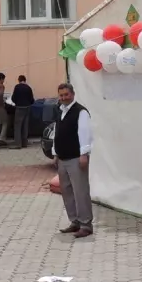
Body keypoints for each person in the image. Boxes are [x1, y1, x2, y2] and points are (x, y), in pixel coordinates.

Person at [52, 83, 93, 238]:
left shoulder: (80, 112)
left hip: (76, 158)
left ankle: (86, 224)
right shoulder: (59, 111)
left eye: (66, 95)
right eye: (61, 95)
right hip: (62, 158)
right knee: (67, 192)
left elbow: (85, 133)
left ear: (73, 94)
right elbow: (57, 132)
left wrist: (84, 154)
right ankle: (74, 221)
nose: (63, 98)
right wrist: (55, 153)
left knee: (80, 191)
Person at [10, 75, 35, 148]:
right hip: (27, 108)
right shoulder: (28, 88)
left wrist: (17, 102)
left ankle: (18, 144)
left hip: (19, 108)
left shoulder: (17, 87)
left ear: (19, 80)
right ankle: (24, 143)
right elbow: (32, 99)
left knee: (18, 126)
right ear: (25, 80)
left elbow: (13, 98)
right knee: (25, 125)